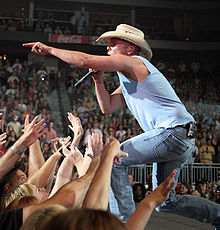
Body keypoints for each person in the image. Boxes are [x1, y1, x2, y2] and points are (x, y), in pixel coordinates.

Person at [23, 24, 220, 229]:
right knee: (165, 202)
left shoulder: (136, 63)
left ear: (130, 48)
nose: (108, 48)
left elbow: (84, 60)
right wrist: (98, 80)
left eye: (113, 44)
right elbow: (107, 107)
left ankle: (124, 224)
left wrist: (49, 49)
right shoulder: (128, 77)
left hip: (172, 132)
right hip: (181, 137)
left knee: (114, 157)